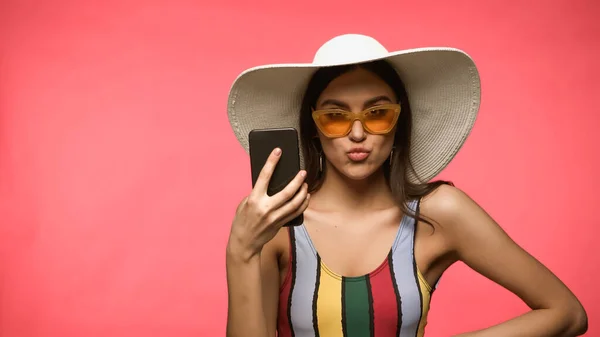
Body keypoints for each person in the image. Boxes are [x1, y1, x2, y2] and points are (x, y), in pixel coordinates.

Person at [224, 34, 588, 337]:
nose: (357, 133)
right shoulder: (278, 223)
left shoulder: (441, 213)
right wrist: (240, 251)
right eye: (335, 117)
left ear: (400, 122)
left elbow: (566, 313)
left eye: (377, 113)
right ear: (314, 129)